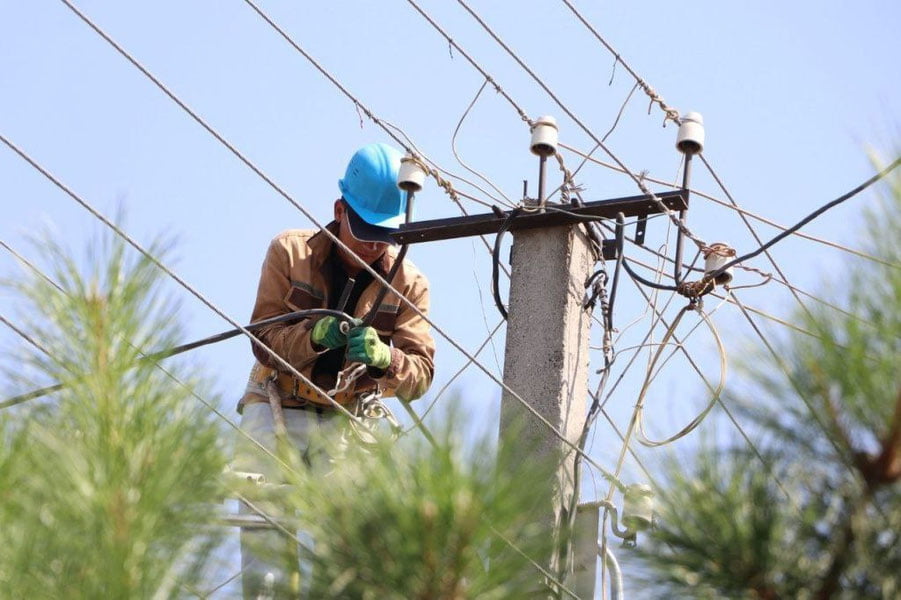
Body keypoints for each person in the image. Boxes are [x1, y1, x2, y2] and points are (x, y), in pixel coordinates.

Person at [232, 142, 435, 598]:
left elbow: (420, 373)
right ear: (340, 210)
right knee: (266, 568)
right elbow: (263, 341)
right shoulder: (290, 252)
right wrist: (314, 335)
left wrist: (386, 358)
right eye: (364, 229)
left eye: (384, 234)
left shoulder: (409, 285)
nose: (373, 244)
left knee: (348, 560)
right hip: (276, 404)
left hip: (348, 420)